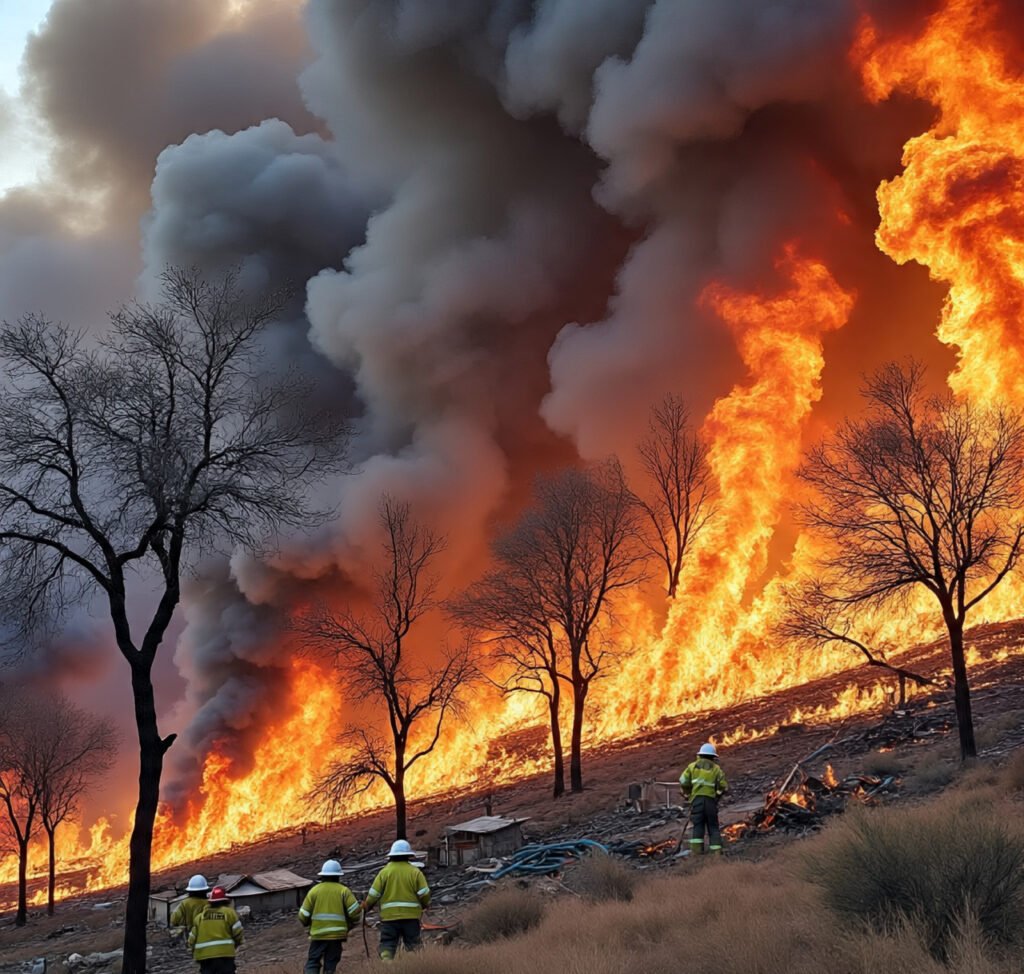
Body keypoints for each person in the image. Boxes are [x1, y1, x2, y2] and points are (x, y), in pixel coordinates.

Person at [363, 839, 431, 960]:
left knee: (387, 943)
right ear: (408, 856)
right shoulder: (415, 872)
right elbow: (424, 894)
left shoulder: (384, 873)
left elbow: (373, 894)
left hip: (389, 918)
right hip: (411, 918)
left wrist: (367, 906)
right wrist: (425, 904)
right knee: (413, 945)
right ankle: (415, 967)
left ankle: (387, 965)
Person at [298, 859, 363, 974]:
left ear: (322, 876)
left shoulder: (314, 891)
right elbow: (355, 913)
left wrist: (307, 924)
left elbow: (303, 915)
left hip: (318, 935)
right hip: (336, 936)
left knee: (313, 962)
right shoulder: (344, 891)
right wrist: (351, 923)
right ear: (338, 876)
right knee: (330, 964)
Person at [679, 742, 729, 855]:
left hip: (696, 801)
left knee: (698, 826)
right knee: (713, 826)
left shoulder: (692, 767)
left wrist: (687, 793)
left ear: (700, 755)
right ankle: (716, 853)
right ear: (713, 757)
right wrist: (717, 795)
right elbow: (724, 786)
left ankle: (697, 853)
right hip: (710, 802)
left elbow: (683, 781)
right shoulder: (716, 769)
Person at [188, 886, 243, 973]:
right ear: (225, 900)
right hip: (225, 954)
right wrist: (237, 943)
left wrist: (192, 951)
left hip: (204, 957)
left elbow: (191, 939)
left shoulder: (200, 917)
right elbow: (238, 932)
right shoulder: (229, 913)